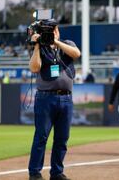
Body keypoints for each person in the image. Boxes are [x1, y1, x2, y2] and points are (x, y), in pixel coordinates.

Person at [28, 19, 81, 180]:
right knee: (41, 137)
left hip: (66, 98)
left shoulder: (67, 43)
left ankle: (56, 172)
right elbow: (34, 67)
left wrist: (56, 42)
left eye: (54, 29)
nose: (52, 32)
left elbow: (76, 54)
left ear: (57, 31)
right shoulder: (41, 48)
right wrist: (37, 45)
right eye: (49, 30)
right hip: (46, 97)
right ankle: (35, 172)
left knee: (62, 138)